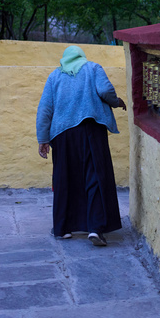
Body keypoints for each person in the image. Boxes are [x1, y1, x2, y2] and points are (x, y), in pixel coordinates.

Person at [36, 45, 126, 246]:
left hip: (62, 135)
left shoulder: (54, 77)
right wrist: (116, 102)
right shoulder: (93, 68)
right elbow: (105, 90)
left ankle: (63, 229)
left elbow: (45, 109)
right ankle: (95, 229)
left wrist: (43, 139)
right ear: (82, 56)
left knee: (63, 178)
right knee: (94, 177)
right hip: (90, 130)